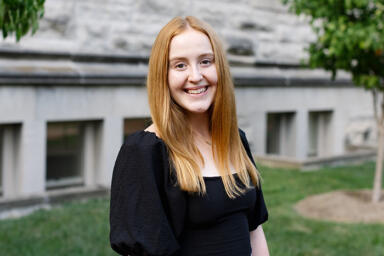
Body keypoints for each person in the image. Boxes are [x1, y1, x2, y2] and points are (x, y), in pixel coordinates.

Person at [110, 16, 269, 256]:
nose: (195, 76)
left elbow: (254, 230)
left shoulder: (234, 139)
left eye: (205, 61)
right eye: (180, 65)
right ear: (162, 76)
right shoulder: (144, 152)